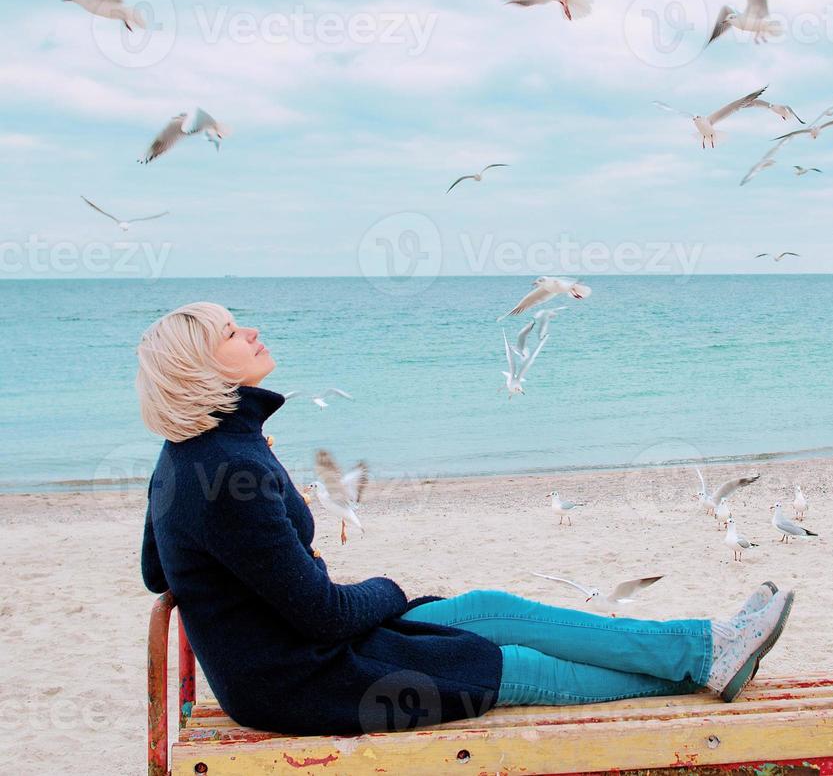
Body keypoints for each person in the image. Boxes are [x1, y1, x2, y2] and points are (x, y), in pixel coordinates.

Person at [137, 301, 793, 736]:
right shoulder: (225, 469)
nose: (250, 331)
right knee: (515, 666)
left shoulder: (189, 450)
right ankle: (698, 663)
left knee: (488, 606)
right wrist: (390, 593)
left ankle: (704, 649)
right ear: (198, 367)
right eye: (231, 332)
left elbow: (154, 569)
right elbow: (322, 614)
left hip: (288, 655)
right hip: (301, 679)